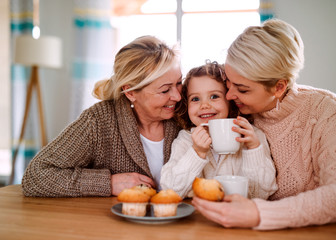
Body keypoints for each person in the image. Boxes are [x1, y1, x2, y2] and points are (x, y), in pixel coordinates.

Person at [192, 19, 336, 230]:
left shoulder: (325, 112)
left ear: (279, 87)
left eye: (242, 89)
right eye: (228, 83)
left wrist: (259, 213)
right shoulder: (232, 110)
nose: (230, 95)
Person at [21, 35, 183, 197]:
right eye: (165, 90)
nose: (177, 96)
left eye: (179, 83)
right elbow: (36, 176)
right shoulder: (99, 121)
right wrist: (109, 183)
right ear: (130, 92)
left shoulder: (186, 113)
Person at [160, 61, 278, 199]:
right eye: (195, 99)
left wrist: (253, 149)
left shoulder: (252, 135)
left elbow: (262, 193)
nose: (204, 105)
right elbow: (171, 190)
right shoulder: (186, 139)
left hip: (239, 217)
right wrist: (197, 153)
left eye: (214, 96)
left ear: (229, 100)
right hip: (200, 217)